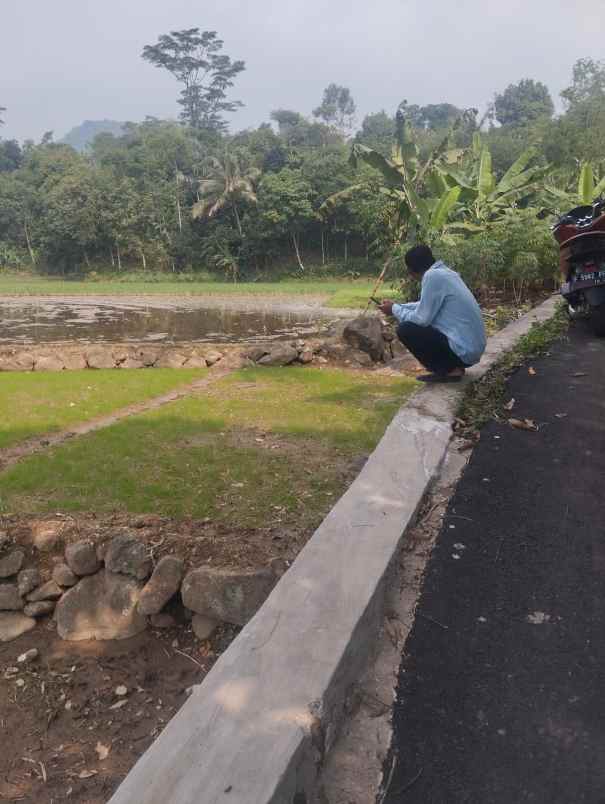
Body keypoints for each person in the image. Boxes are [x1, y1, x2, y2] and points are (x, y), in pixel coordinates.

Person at [380, 245, 486, 383]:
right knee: (421, 325)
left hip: (463, 351)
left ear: (411, 270)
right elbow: (424, 304)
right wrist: (397, 306)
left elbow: (421, 320)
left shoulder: (432, 276)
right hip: (470, 351)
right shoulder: (445, 273)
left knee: (406, 329)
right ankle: (454, 368)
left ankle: (449, 371)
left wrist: (394, 309)